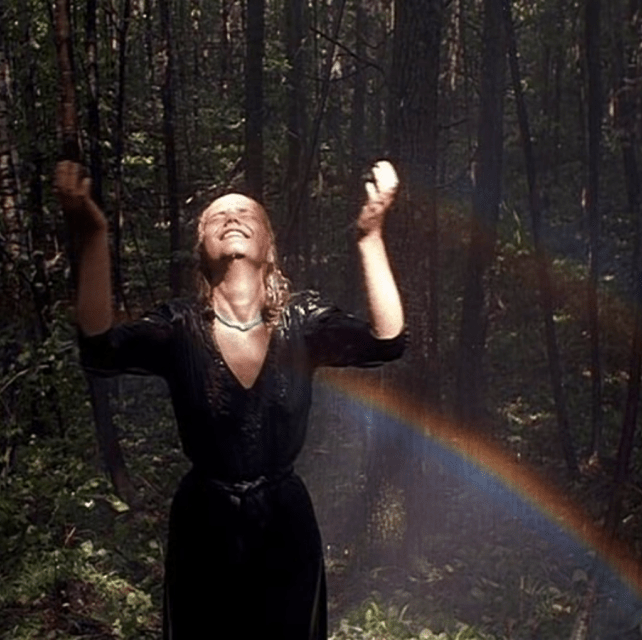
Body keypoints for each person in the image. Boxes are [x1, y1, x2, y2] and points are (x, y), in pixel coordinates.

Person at [55, 159, 406, 639]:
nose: (232, 217)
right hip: (203, 526)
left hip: (285, 524)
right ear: (201, 249)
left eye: (246, 213)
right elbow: (99, 348)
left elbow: (387, 341)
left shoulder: (302, 322)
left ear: (269, 247)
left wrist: (370, 237)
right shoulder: (179, 325)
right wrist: (94, 234)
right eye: (217, 216)